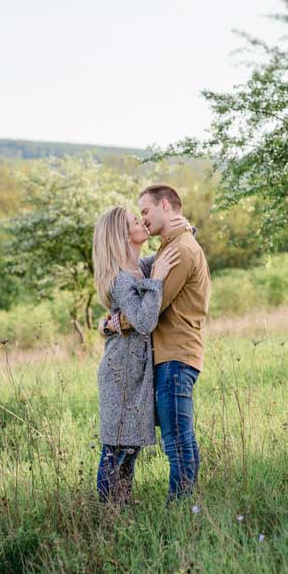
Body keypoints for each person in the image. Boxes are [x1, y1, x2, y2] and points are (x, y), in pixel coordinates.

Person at [105, 184, 211, 500]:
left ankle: (181, 509)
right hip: (170, 356)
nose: (143, 220)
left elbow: (154, 306)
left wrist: (115, 324)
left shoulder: (180, 250)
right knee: (181, 440)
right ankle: (187, 505)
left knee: (177, 442)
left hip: (176, 356)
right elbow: (144, 278)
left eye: (145, 212)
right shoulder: (171, 245)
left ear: (164, 205)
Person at [91, 206, 180, 503]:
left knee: (130, 451)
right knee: (116, 451)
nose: (141, 221)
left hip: (134, 372)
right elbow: (143, 321)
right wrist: (157, 279)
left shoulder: (137, 268)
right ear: (123, 235)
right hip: (120, 375)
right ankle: (108, 514)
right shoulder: (122, 279)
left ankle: (122, 510)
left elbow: (168, 254)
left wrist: (182, 229)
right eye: (133, 221)